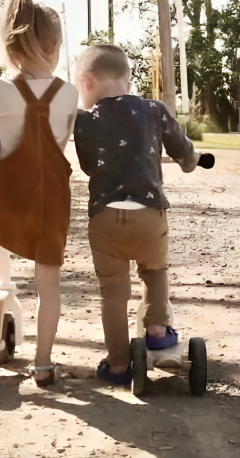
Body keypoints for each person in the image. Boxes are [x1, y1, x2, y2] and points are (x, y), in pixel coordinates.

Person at [0, 0, 79, 387]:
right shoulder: (70, 94)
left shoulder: (0, 90)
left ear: (11, 46)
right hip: (50, 200)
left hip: (10, 191)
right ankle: (43, 362)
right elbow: (61, 142)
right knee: (49, 280)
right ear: (56, 47)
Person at [73, 43, 199, 385]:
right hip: (148, 213)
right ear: (127, 82)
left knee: (113, 291)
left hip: (106, 217)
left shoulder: (83, 121)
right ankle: (157, 331)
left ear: (85, 82)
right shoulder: (154, 110)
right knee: (154, 270)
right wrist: (191, 161)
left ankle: (116, 364)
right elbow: (184, 152)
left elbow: (88, 167)